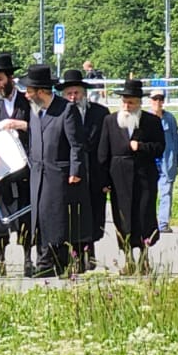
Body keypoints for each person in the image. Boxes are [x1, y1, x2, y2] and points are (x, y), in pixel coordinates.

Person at [97, 78, 165, 273]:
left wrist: (141, 146)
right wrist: (104, 181)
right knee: (123, 218)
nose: (127, 106)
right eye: (125, 102)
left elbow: (160, 147)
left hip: (144, 176)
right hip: (119, 178)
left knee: (144, 216)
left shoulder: (151, 121)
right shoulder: (110, 121)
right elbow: (103, 153)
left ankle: (144, 257)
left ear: (139, 103)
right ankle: (128, 259)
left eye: (131, 102)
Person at [23, 64, 84, 278]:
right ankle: (44, 262)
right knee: (39, 219)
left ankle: (55, 262)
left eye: (29, 91)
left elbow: (76, 144)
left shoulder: (66, 110)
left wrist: (75, 170)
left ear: (40, 91)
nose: (26, 95)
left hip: (58, 174)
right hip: (38, 173)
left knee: (56, 219)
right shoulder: (35, 111)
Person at [0, 52, 32, 277]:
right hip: (0, 169)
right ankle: (1, 260)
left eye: (0, 79)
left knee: (26, 213)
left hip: (24, 169)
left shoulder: (26, 103)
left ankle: (28, 259)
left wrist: (21, 125)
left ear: (11, 79)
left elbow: (39, 127)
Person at [60, 67, 109, 269]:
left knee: (95, 214)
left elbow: (107, 145)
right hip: (71, 174)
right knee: (73, 216)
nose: (73, 97)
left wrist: (106, 178)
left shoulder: (100, 113)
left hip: (95, 173)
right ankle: (76, 255)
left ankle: (91, 253)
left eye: (77, 93)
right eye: (69, 93)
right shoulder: (59, 113)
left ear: (84, 93)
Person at [149, 87, 178, 233]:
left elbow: (175, 139)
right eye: (155, 99)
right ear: (150, 101)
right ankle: (149, 223)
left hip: (167, 160)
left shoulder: (170, 118)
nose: (158, 102)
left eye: (160, 99)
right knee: (149, 193)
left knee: (166, 192)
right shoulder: (145, 118)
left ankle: (163, 223)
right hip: (150, 161)